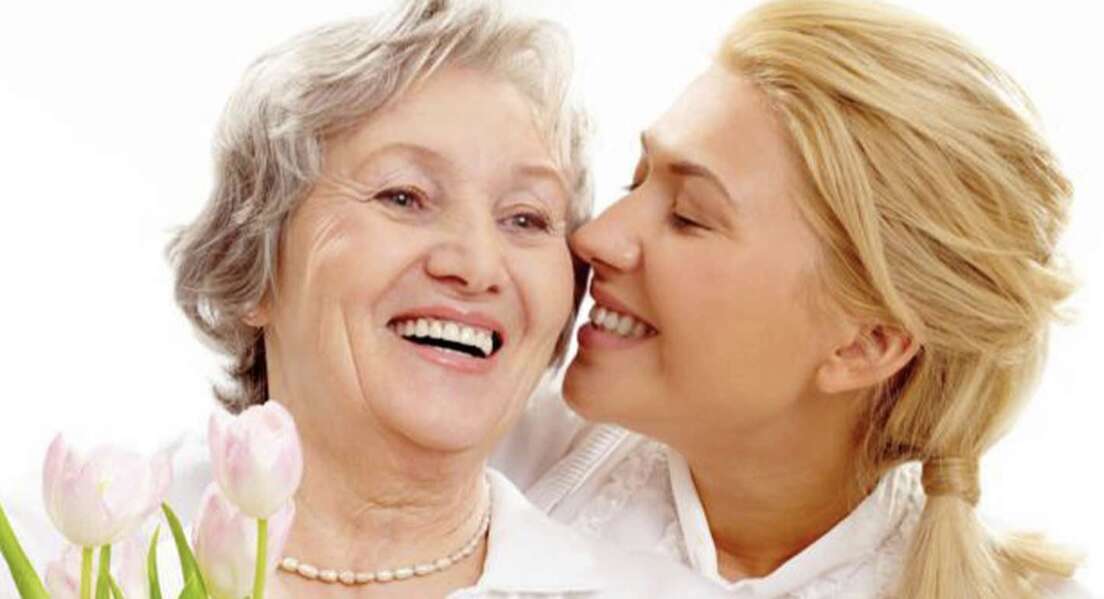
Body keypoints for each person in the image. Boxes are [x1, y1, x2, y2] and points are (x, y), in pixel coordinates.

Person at [0, 1, 728, 598]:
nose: (477, 266)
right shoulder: (46, 552)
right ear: (255, 262)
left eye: (526, 218)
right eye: (403, 196)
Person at [510, 0, 1094, 597]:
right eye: (635, 181)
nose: (593, 237)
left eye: (688, 217)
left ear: (866, 345)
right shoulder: (499, 468)